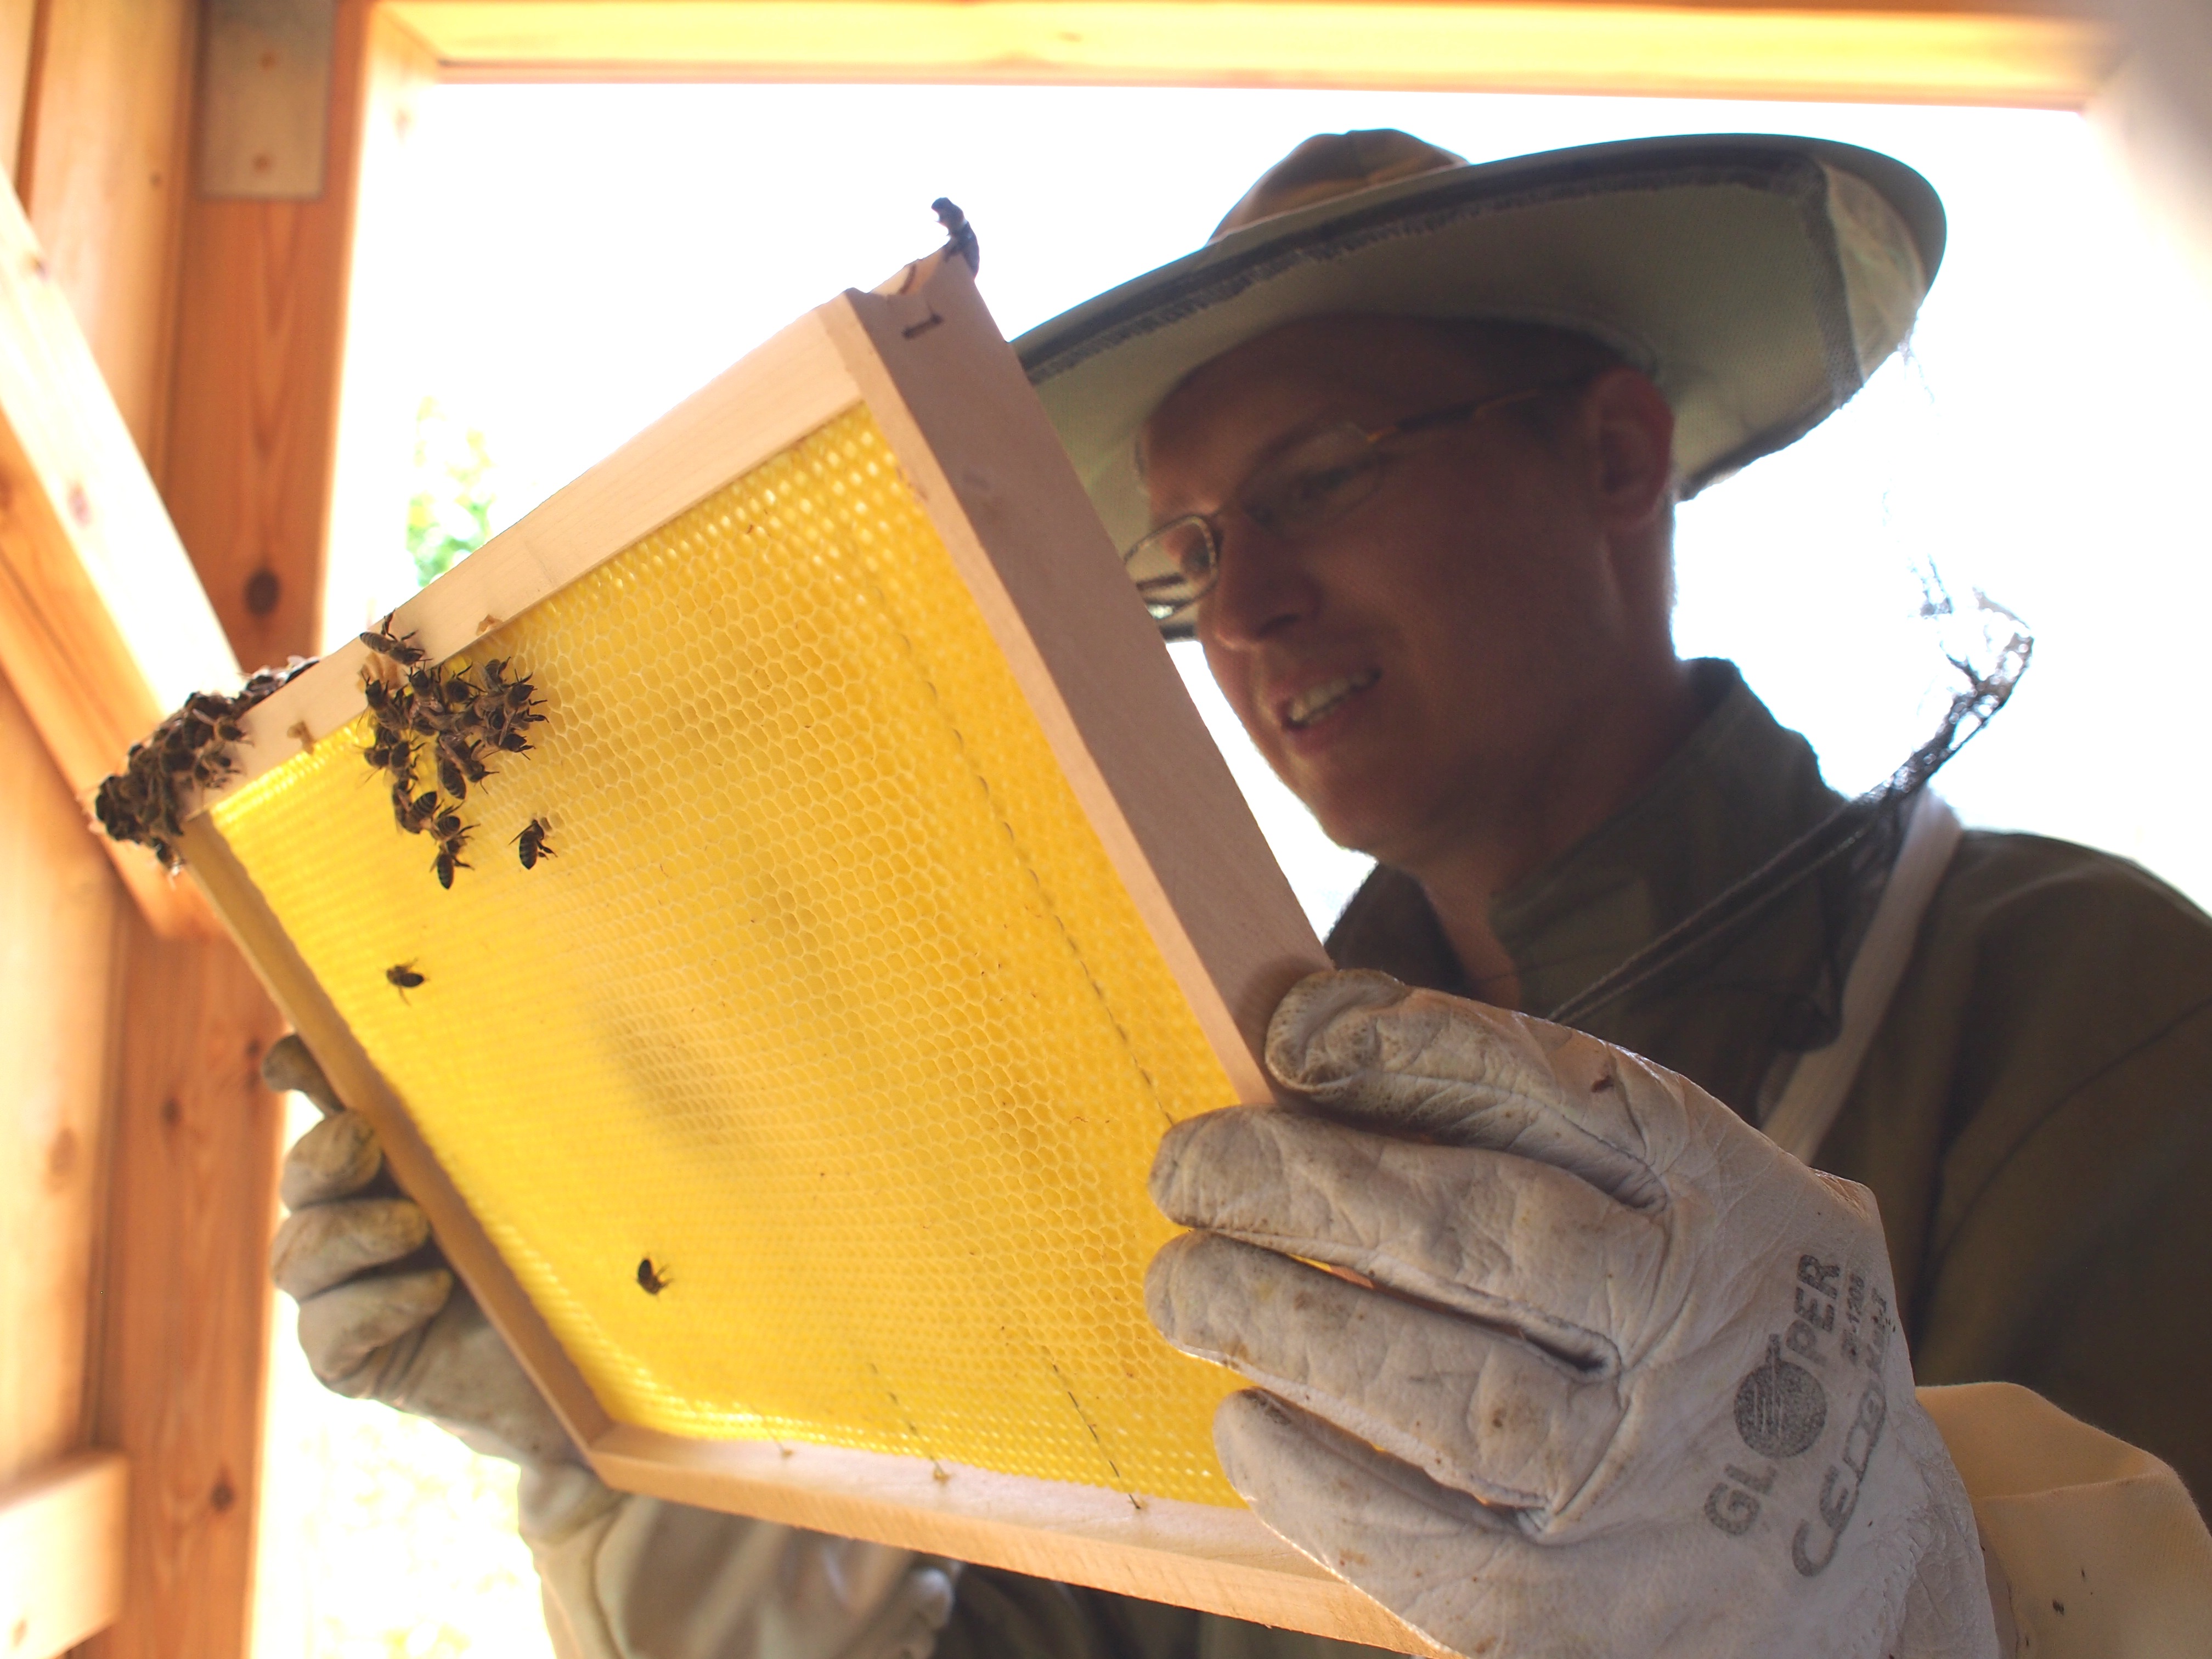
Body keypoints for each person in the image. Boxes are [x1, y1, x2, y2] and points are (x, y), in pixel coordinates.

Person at [268, 130, 2212, 1658]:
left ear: (1617, 450)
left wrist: (1895, 1605)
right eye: (1191, 558)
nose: (1247, 606)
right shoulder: (1219, 1130)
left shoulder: (2083, 1007)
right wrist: (618, 1466)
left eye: (1326, 475)